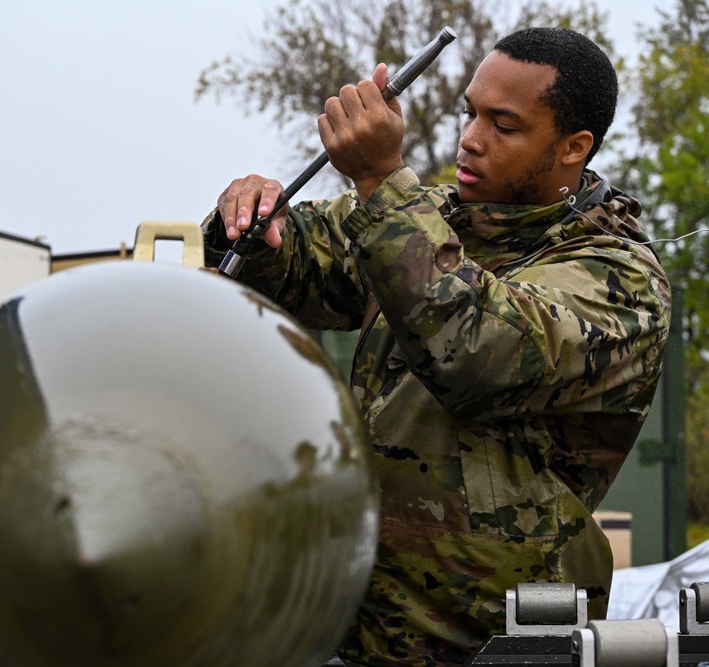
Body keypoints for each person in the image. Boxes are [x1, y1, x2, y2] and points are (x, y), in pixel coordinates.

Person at [201, 27, 671, 667]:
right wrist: (251, 222)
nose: (471, 139)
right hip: (351, 628)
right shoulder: (433, 219)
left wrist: (382, 178)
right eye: (469, 113)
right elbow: (295, 266)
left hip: (489, 644)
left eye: (503, 125)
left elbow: (474, 350)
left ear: (572, 148)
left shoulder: (619, 279)